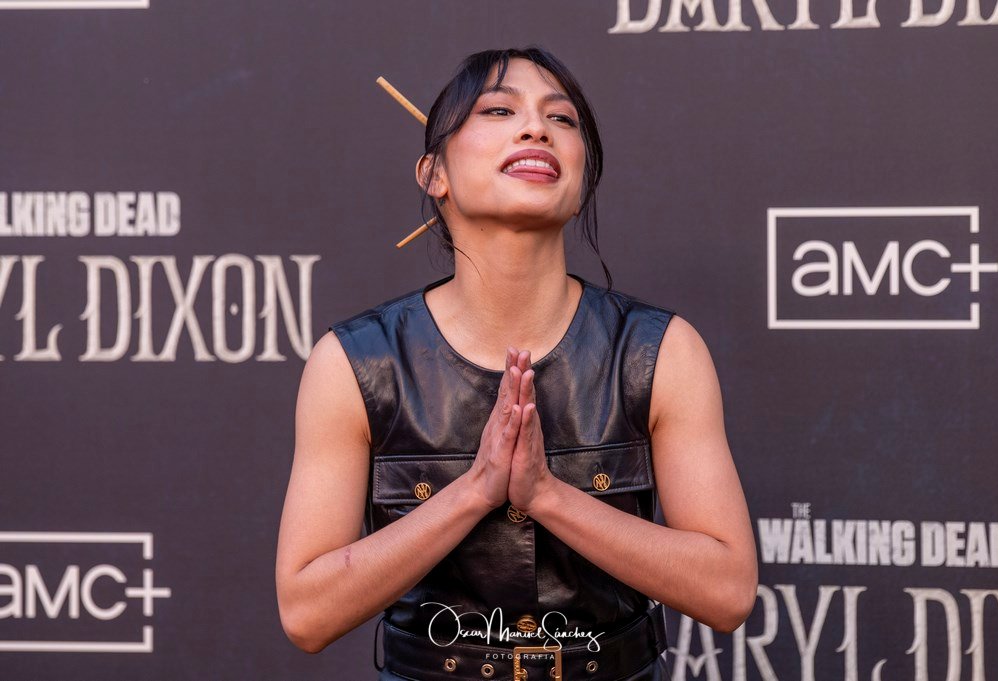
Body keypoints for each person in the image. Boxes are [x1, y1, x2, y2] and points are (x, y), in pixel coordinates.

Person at [275, 46, 757, 680]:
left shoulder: (659, 351)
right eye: (499, 110)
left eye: (562, 119)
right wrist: (475, 491)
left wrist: (547, 496)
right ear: (433, 173)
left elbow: (727, 592)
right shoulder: (356, 364)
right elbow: (307, 613)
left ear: (581, 181)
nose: (536, 128)